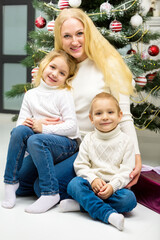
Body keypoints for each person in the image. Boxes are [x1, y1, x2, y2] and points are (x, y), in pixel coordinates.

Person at [16, 8, 142, 203]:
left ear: (88, 33)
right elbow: (44, 103)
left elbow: (124, 117)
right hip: (60, 141)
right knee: (19, 185)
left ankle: (86, 192)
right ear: (60, 38)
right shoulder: (61, 66)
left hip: (88, 146)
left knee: (41, 188)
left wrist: (136, 156)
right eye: (67, 36)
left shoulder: (109, 65)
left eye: (79, 34)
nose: (74, 41)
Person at [2, 50, 80, 213]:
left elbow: (72, 127)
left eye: (62, 73)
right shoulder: (31, 95)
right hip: (40, 141)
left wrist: (44, 128)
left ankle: (50, 192)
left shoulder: (63, 94)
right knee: (19, 132)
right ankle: (10, 182)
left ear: (66, 78)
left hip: (66, 145)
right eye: (52, 67)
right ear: (44, 65)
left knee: (34, 140)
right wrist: (39, 123)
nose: (54, 74)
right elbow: (20, 127)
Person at [61, 92, 137, 231]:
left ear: (120, 115)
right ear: (91, 118)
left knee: (129, 200)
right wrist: (93, 179)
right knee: (74, 184)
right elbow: (81, 165)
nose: (105, 117)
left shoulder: (127, 141)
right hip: (91, 185)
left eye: (110, 112)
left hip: (114, 189)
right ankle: (108, 215)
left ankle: (80, 205)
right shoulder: (89, 139)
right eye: (99, 113)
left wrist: (112, 186)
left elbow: (126, 171)